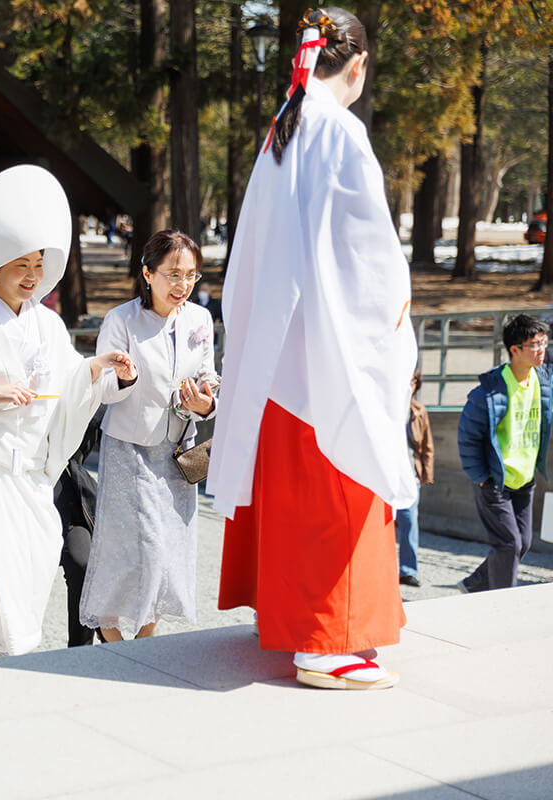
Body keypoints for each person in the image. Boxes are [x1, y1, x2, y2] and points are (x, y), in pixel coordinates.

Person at [211, 8, 416, 690]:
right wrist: (393, 314)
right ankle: (325, 640)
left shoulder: (287, 125)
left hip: (282, 348)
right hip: (328, 345)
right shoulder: (339, 132)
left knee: (298, 495)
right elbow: (366, 256)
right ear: (356, 66)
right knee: (341, 486)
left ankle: (294, 619)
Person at [0, 164, 135, 659]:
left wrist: (97, 368)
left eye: (39, 265)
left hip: (27, 479)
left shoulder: (50, 327)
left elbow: (68, 382)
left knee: (25, 583)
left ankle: (12, 666)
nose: (33, 276)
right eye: (21, 265)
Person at [79, 231, 218, 642]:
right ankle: (110, 631)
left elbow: (210, 379)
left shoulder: (200, 320)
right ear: (147, 273)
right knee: (133, 549)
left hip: (180, 453)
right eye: (173, 274)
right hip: (130, 449)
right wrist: (127, 378)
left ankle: (142, 642)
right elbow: (102, 387)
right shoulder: (121, 320)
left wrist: (206, 405)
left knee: (170, 549)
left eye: (191, 275)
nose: (183, 285)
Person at [457, 314, 552, 593]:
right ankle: (501, 604)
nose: (541, 350)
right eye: (534, 345)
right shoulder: (490, 391)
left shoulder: (543, 380)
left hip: (524, 479)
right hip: (495, 481)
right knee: (509, 544)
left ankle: (475, 583)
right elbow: (468, 437)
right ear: (515, 350)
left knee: (521, 544)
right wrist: (481, 477)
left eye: (544, 343)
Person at [54, 408, 103, 648]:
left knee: (83, 564)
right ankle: (1, 655)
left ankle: (80, 652)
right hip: (21, 479)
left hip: (70, 487)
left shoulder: (108, 391)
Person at [399, 369, 434, 587]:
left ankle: (407, 570)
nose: (409, 384)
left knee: (410, 522)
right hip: (388, 475)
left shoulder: (418, 411)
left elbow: (427, 445)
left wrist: (427, 473)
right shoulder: (387, 407)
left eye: (412, 380)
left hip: (410, 473)